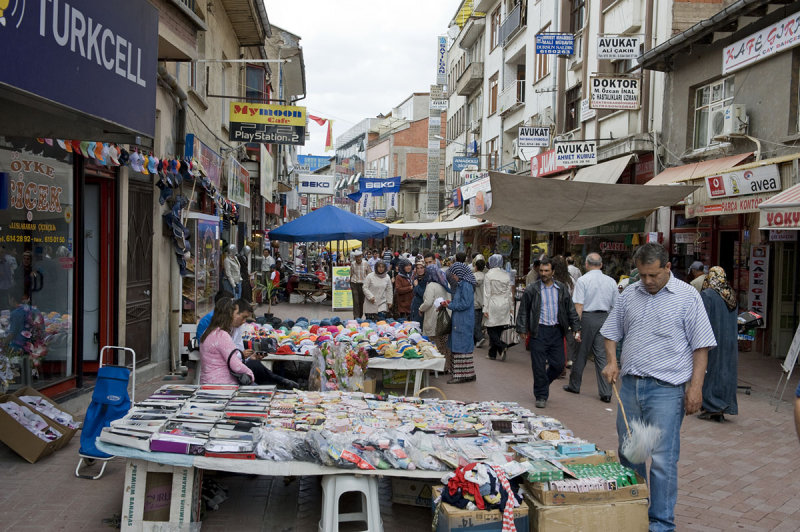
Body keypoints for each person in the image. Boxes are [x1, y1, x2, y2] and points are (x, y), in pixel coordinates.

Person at [600, 243, 716, 532]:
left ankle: (661, 522)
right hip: (630, 387)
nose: (648, 282)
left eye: (653, 275)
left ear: (667, 268)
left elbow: (701, 346)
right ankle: (635, 512)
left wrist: (695, 389)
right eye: (643, 276)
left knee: (663, 459)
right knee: (631, 454)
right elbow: (612, 332)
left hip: (667, 389)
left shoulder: (688, 297)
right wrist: (612, 361)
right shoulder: (629, 294)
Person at [516, 256, 581, 408]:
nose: (543, 273)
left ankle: (542, 383)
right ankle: (541, 395)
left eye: (546, 271)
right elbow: (524, 310)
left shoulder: (561, 288)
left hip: (556, 332)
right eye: (541, 271)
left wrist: (576, 327)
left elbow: (570, 309)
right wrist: (522, 328)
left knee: (559, 365)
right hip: (538, 332)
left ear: (553, 272)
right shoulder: (532, 289)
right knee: (538, 366)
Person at [564, 252, 618, 402]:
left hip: (587, 317)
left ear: (587, 265)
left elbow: (579, 305)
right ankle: (606, 392)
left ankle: (575, 385)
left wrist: (576, 327)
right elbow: (615, 306)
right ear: (601, 265)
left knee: (580, 353)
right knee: (602, 355)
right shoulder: (611, 281)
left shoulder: (583, 280)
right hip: (605, 318)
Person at [699, 267, 739, 421]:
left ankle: (712, 405)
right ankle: (724, 405)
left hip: (712, 339)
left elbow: (702, 319)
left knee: (711, 370)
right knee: (726, 371)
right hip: (729, 341)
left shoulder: (708, 294)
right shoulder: (730, 294)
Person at [199, 298, 255, 385]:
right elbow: (235, 365)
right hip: (223, 384)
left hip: (207, 382)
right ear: (228, 314)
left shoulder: (207, 332)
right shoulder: (222, 335)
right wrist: (250, 374)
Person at [441, 263, 477, 383]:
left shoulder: (465, 285)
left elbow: (465, 303)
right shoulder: (464, 284)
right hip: (462, 319)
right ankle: (468, 373)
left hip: (463, 320)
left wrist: (450, 305)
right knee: (462, 345)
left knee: (461, 347)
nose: (453, 277)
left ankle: (461, 375)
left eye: (454, 275)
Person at [419, 265, 452, 372]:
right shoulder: (445, 284)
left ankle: (437, 368)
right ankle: (447, 366)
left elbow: (428, 302)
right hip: (445, 316)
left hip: (434, 317)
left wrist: (421, 308)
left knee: (435, 343)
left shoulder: (431, 286)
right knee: (444, 343)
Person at [483, 254, 513, 361]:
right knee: (499, 328)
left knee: (491, 328)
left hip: (493, 303)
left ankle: (501, 346)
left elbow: (487, 293)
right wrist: (511, 306)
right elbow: (509, 293)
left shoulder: (488, 275)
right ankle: (492, 353)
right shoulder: (506, 275)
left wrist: (485, 308)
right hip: (504, 303)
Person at [553, 255, 578, 370]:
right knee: (568, 336)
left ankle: (554, 357)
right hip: (566, 310)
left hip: (554, 311)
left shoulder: (552, 279)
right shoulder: (570, 280)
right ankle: (569, 359)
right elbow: (573, 295)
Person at [349, 250, 371, 320]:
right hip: (354, 283)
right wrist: (350, 282)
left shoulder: (366, 263)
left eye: (359, 257)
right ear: (355, 258)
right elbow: (351, 274)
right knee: (356, 301)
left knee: (361, 301)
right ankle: (356, 317)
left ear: (361, 256)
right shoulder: (353, 264)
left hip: (363, 284)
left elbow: (369, 274)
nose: (358, 258)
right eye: (356, 257)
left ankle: (360, 315)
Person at [472, 257, 486, 348]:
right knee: (478, 322)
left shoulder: (473, 277)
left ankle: (480, 337)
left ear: (476, 267)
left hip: (475, 302)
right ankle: (475, 339)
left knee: (474, 323)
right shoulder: (486, 276)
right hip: (483, 302)